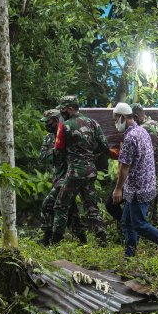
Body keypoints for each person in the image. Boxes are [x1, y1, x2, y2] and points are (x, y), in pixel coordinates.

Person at [111, 103, 158, 259]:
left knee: (139, 224)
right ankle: (130, 255)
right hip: (144, 184)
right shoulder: (142, 131)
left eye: (116, 119)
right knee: (126, 221)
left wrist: (118, 189)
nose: (115, 123)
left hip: (138, 188)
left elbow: (124, 166)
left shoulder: (131, 137)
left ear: (123, 117)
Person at [50, 96, 108, 244]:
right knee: (91, 206)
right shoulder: (93, 123)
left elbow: (58, 151)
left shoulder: (65, 125)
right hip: (91, 171)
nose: (61, 112)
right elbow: (104, 146)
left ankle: (55, 241)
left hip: (75, 172)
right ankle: (102, 240)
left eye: (63, 109)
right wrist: (91, 156)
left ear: (70, 108)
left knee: (61, 205)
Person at [38, 109, 86, 245]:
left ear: (55, 120)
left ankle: (49, 238)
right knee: (70, 209)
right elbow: (42, 157)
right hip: (57, 178)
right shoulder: (48, 138)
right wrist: (55, 152)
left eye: (48, 122)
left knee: (48, 205)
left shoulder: (67, 134)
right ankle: (82, 238)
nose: (46, 125)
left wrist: (55, 152)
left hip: (68, 178)